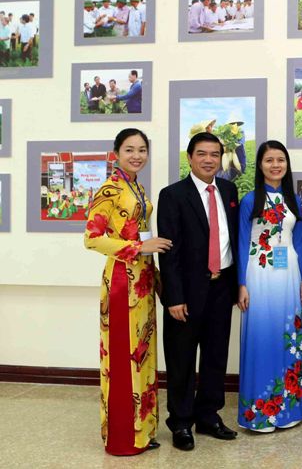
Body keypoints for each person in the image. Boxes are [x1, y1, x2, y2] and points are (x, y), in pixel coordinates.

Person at [83, 128, 172, 455]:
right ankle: (123, 438)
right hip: (122, 281)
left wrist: (157, 279)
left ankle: (142, 432)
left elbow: (143, 235)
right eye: (129, 150)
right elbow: (91, 238)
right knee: (124, 357)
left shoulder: (136, 186)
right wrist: (138, 247)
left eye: (142, 150)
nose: (137, 155)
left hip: (143, 280)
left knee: (142, 355)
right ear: (116, 154)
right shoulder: (109, 189)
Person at [157, 132, 240, 451]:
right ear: (190, 158)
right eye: (202, 154)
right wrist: (174, 297)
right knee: (181, 359)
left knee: (216, 356)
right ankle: (180, 422)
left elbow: (232, 238)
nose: (209, 160)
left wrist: (236, 286)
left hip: (222, 287)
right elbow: (169, 252)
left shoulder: (229, 191)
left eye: (215, 154)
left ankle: (208, 415)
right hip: (187, 292)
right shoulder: (173, 195)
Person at [237, 140, 302, 432]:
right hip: (259, 273)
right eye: (269, 160)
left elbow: (299, 241)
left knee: (287, 336)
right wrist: (241, 284)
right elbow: (242, 243)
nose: (275, 165)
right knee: (261, 337)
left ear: (287, 164)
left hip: (289, 274)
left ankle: (288, 410)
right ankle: (259, 413)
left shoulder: (294, 199)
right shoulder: (249, 200)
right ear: (260, 165)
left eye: (280, 159)